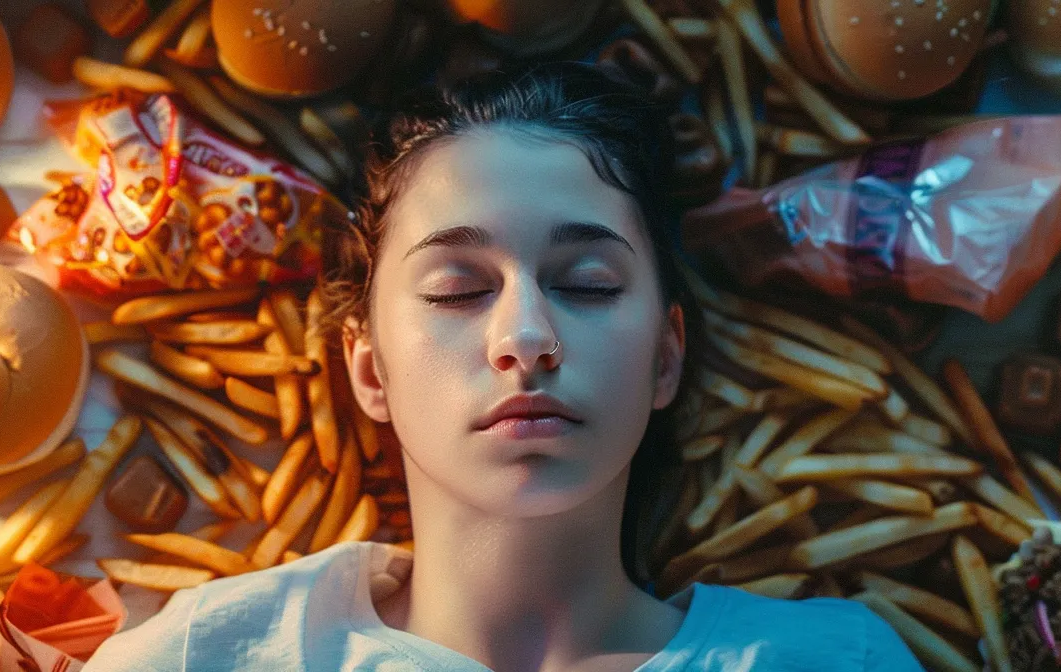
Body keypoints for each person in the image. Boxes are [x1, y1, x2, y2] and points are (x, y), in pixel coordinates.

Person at [84, 62, 922, 672]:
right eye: (456, 291)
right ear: (368, 370)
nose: (526, 335)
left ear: (666, 357)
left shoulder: (834, 660)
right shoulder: (207, 658)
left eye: (587, 284)